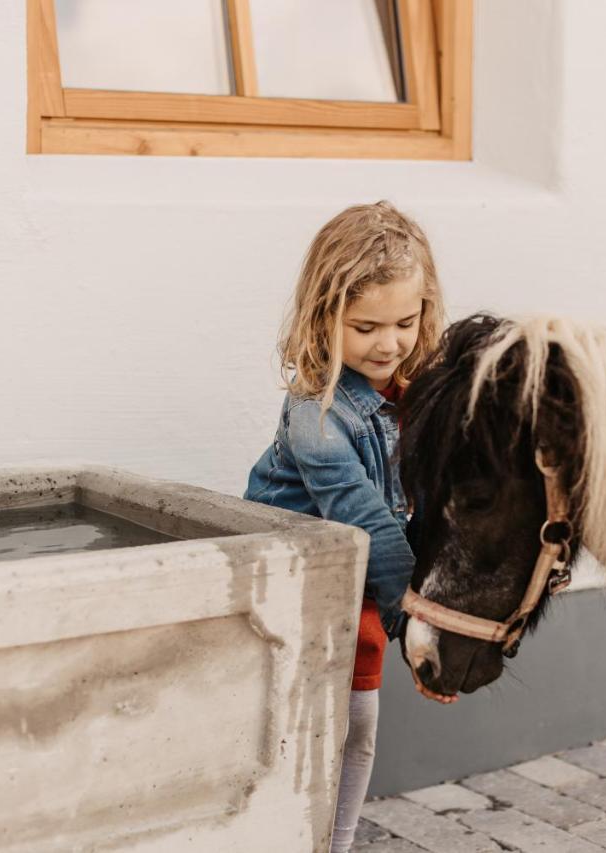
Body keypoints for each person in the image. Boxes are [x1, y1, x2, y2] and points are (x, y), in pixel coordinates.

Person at [244, 201, 452, 852]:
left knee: (357, 726)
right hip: (303, 582)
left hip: (364, 582)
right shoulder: (319, 414)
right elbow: (369, 525)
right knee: (320, 721)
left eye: (404, 322)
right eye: (365, 326)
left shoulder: (416, 387)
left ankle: (336, 839)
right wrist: (421, 630)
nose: (389, 343)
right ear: (324, 316)